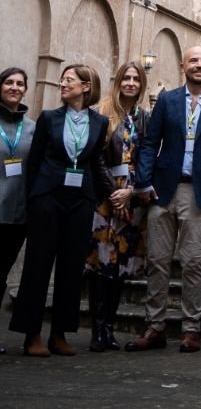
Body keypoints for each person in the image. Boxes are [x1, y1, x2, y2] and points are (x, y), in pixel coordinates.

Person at [127, 45, 201, 353]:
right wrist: (143, 182)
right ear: (183, 65)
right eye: (194, 61)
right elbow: (150, 144)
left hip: (200, 193)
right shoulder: (167, 100)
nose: (199, 65)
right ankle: (155, 327)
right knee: (158, 261)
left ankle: (192, 328)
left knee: (193, 262)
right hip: (163, 189)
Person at [10, 64, 113, 357]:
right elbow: (35, 161)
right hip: (47, 197)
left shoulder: (100, 122)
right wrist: (32, 199)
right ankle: (32, 335)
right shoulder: (49, 118)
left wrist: (107, 197)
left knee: (71, 268)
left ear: (86, 87)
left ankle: (59, 334)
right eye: (63, 79)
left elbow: (95, 163)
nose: (63, 84)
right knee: (38, 265)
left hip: (80, 200)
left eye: (69, 80)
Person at [86, 61, 150, 352]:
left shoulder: (145, 118)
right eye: (126, 78)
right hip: (106, 200)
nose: (131, 83)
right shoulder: (103, 114)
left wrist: (131, 194)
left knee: (121, 267)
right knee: (102, 265)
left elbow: (148, 157)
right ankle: (97, 329)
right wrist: (114, 194)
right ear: (118, 81)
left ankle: (109, 327)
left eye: (136, 79)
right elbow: (96, 159)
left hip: (132, 199)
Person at [0, 68, 34, 312]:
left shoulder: (33, 128)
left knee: (2, 271)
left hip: (18, 215)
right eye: (9, 82)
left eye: (20, 84)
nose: (14, 87)